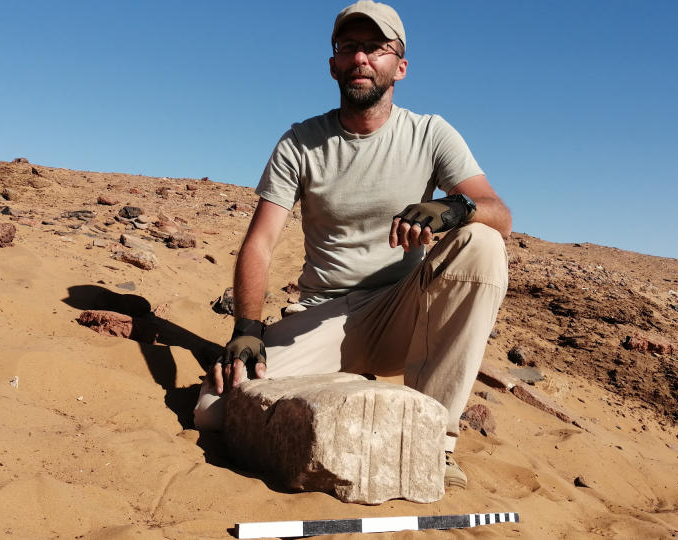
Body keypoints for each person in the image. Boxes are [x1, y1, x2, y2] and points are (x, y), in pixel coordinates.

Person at [194, 0, 511, 490]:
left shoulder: (430, 133)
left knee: (482, 243)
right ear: (333, 64)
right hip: (324, 314)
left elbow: (499, 212)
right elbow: (260, 242)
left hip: (401, 313)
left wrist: (454, 209)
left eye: (376, 48)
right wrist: (248, 327)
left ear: (399, 67)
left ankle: (435, 441)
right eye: (349, 47)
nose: (361, 58)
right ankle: (341, 388)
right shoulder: (300, 142)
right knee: (213, 409)